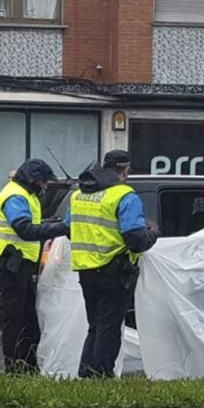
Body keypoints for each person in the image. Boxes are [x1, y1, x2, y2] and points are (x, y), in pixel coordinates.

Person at [68, 150, 158, 378]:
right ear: (125, 170)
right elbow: (136, 241)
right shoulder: (124, 196)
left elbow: (71, 228)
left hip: (86, 270)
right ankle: (101, 376)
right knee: (109, 328)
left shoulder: (78, 194)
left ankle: (87, 373)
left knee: (96, 326)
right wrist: (152, 233)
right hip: (114, 270)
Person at [0, 160, 69, 373]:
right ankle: (15, 369)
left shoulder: (26, 195)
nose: (45, 186)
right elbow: (25, 229)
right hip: (11, 264)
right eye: (43, 182)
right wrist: (60, 228)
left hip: (19, 264)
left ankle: (28, 366)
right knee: (15, 319)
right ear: (32, 179)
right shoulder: (15, 196)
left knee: (27, 318)